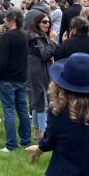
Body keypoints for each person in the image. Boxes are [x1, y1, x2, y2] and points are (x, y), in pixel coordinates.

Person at [0, 8, 31, 152]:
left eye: (6, 17)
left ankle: (11, 144)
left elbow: (3, 61)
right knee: (22, 109)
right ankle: (26, 140)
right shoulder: (24, 34)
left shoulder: (7, 37)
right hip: (21, 77)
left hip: (7, 79)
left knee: (9, 110)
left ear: (12, 19)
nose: (4, 20)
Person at [26, 11, 58, 140]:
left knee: (37, 102)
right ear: (37, 23)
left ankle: (37, 132)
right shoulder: (35, 37)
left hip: (40, 72)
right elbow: (45, 54)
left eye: (49, 22)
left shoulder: (40, 36)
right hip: (37, 73)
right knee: (41, 103)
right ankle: (43, 133)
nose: (47, 24)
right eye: (44, 22)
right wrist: (53, 41)